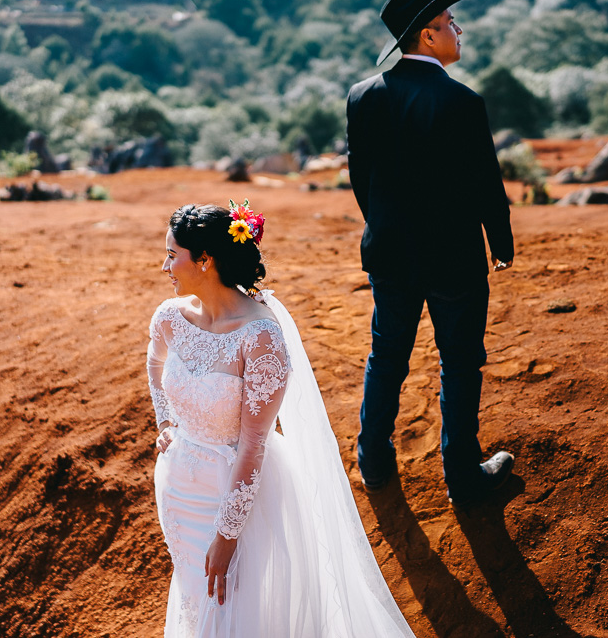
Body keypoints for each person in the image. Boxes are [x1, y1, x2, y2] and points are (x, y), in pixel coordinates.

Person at [147, 201, 416, 637]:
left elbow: (254, 443)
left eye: (172, 255)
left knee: (235, 606)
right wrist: (165, 424)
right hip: (178, 489)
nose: (165, 266)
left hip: (236, 494)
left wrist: (228, 534)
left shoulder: (260, 336)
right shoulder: (169, 317)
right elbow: (155, 366)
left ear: (205, 260)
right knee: (198, 600)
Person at [345, 0, 516, 506]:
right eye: (448, 25)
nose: (457, 31)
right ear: (427, 36)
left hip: (390, 254)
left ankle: (373, 462)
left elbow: (361, 179)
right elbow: (486, 182)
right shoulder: (462, 101)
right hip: (454, 260)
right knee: (460, 363)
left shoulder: (362, 96)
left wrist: (386, 226)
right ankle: (463, 478)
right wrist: (500, 244)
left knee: (386, 354)